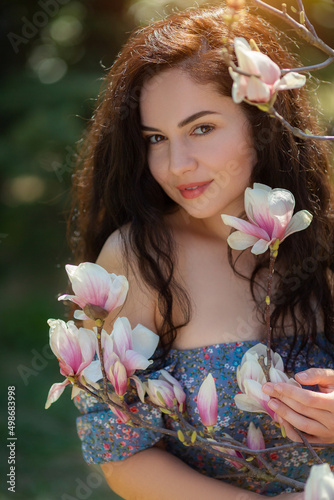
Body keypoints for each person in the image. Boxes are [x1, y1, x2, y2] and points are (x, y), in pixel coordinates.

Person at [69, 5, 334, 499]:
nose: (177, 164)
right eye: (155, 138)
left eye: (202, 128)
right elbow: (122, 452)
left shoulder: (325, 241)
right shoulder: (138, 259)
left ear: (263, 122)